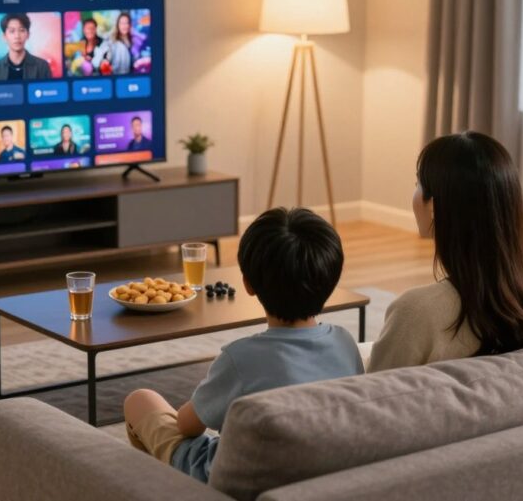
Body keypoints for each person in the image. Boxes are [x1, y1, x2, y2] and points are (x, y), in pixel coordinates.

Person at [123, 207, 363, 483]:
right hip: (309, 469)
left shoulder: (241, 359)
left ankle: (159, 487)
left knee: (141, 400)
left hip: (229, 476)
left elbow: (187, 426)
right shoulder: (345, 342)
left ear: (248, 284)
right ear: (331, 280)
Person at [368, 132, 523, 371]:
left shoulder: (415, 312)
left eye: (418, 185)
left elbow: (373, 393)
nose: (415, 193)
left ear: (435, 206)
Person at [0, 13, 53, 82]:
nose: (17, 36)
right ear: (4, 37)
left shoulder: (42, 66)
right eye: (12, 31)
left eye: (21, 30)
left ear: (28, 35)